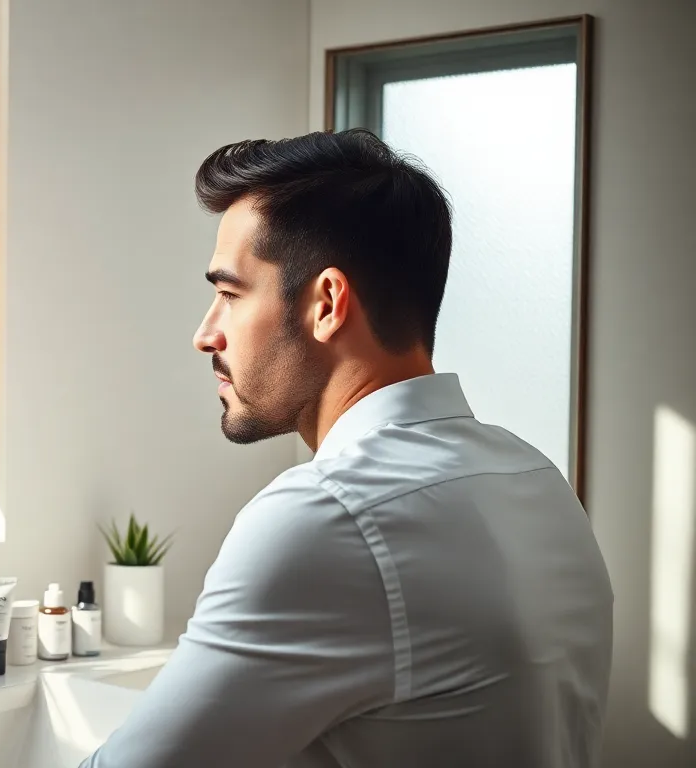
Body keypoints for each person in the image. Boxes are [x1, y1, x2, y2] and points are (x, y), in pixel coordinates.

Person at [79, 130, 613, 768]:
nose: (205, 334)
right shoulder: (536, 479)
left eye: (229, 294)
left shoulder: (329, 515)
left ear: (327, 303)